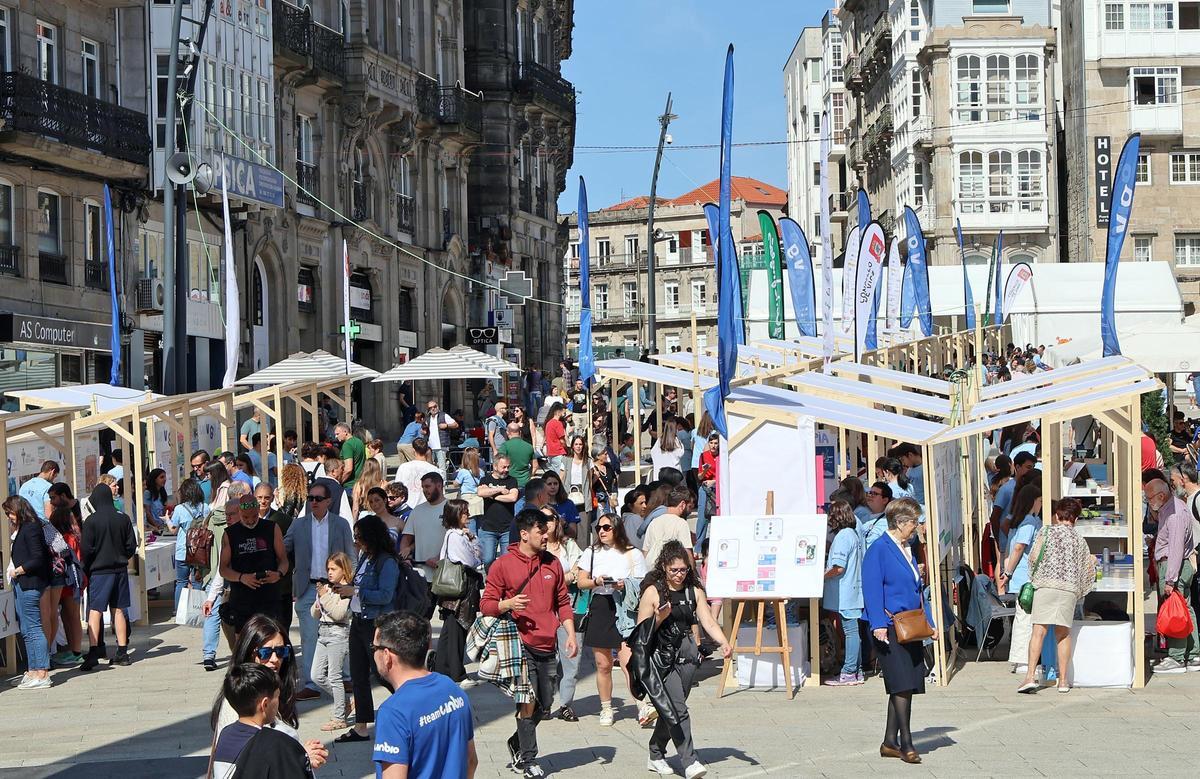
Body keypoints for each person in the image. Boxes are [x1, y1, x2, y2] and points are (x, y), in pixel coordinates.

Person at [632, 540, 731, 779]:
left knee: (670, 710)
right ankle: (690, 761)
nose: (679, 575)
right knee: (678, 708)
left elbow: (707, 620)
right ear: (664, 566)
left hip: (687, 657)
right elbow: (639, 633)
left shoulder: (694, 591)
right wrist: (658, 618)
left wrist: (723, 642)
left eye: (683, 570)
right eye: (674, 570)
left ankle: (655, 754)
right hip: (660, 659)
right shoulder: (653, 592)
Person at [862, 498, 935, 765]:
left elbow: (915, 590)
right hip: (890, 627)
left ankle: (889, 742)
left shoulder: (907, 548)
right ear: (901, 522)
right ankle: (907, 743)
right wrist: (878, 624)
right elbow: (871, 588)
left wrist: (930, 624)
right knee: (901, 684)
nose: (918, 527)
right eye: (915, 522)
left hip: (910, 625)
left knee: (904, 686)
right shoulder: (879, 549)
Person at [210, 613, 328, 771]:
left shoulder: (275, 692)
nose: (274, 659)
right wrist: (300, 757)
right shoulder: (238, 702)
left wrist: (302, 753)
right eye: (265, 653)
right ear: (248, 653)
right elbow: (248, 762)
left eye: (281, 651)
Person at [372, 610, 479, 779]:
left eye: (375, 648)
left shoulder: (393, 712)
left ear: (387, 656)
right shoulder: (452, 689)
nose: (373, 654)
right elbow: (471, 761)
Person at [285, 480, 355, 700]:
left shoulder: (340, 524)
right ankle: (311, 684)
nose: (313, 502)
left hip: (336, 586)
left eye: (317, 499)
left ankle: (345, 677)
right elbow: (284, 547)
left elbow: (350, 553)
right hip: (309, 586)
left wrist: (349, 583)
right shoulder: (299, 524)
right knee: (308, 637)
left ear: (328, 501)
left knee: (340, 633)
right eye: (310, 498)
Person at [1017, 498, 1096, 693]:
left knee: (1038, 632)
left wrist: (1035, 578)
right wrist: (1079, 590)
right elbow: (1087, 569)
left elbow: (1034, 557)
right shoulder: (1079, 540)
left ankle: (1029, 677)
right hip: (1068, 589)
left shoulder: (1046, 531)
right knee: (1063, 634)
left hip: (1046, 586)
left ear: (1057, 514)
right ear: (1075, 518)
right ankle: (1063, 681)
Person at [334, 514, 401, 743]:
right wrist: (345, 588)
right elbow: (359, 585)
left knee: (382, 672)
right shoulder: (365, 557)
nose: (356, 541)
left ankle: (410, 704)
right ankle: (361, 725)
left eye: (359, 537)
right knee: (358, 674)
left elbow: (385, 595)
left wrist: (356, 592)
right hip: (359, 620)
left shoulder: (387, 561)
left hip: (377, 623)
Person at [578, 513, 648, 726]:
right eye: (599, 528)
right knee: (603, 663)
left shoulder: (632, 553)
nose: (601, 531)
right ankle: (606, 707)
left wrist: (624, 584)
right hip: (601, 604)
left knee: (629, 660)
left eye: (606, 527)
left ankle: (642, 704)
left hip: (625, 606)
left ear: (616, 528)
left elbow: (643, 582)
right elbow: (581, 582)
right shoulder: (591, 552)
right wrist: (596, 581)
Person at [212, 662, 314, 779]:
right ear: (265, 704)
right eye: (277, 696)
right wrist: (299, 757)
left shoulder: (226, 733)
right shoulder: (278, 742)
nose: (278, 702)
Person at [218, 491, 289, 646]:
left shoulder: (271, 527)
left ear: (258, 511)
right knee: (243, 644)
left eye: (254, 517)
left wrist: (278, 573)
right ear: (239, 513)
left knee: (270, 639)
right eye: (245, 517)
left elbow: (284, 560)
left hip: (269, 596)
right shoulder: (230, 533)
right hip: (242, 598)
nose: (250, 521)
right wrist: (242, 577)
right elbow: (223, 569)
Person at [80, 484, 137, 671]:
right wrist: (121, 557)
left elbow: (86, 550)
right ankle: (123, 651)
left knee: (95, 611)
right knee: (119, 610)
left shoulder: (91, 521)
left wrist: (86, 567)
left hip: (99, 572)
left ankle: (94, 651)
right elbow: (131, 546)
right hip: (120, 570)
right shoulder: (123, 518)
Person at [1145, 478, 1200, 674]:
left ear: (1161, 495)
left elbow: (1176, 548)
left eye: (1149, 497)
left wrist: (1170, 579)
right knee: (1185, 609)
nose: (1148, 501)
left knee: (1175, 609)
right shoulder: (1170, 507)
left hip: (1173, 565)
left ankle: (1177, 657)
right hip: (1175, 564)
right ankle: (1193, 655)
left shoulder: (1175, 514)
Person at [432, 499, 483, 686]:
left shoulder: (462, 535)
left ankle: (443, 670)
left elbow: (478, 554)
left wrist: (472, 540)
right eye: (464, 513)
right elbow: (470, 560)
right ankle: (456, 674)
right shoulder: (454, 536)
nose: (467, 516)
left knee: (450, 633)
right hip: (457, 592)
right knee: (456, 633)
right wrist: (474, 552)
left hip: (461, 591)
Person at [5, 496, 52, 688]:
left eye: (10, 512)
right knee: (26, 628)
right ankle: (33, 670)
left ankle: (42, 672)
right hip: (22, 584)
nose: (8, 517)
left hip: (29, 583)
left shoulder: (31, 528)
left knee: (33, 628)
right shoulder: (23, 529)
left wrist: (18, 570)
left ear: (18, 510)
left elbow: (37, 558)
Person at [996, 484, 1042, 674]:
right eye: (1040, 501)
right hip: (1025, 577)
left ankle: (1021, 659)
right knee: (1025, 619)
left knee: (1024, 618)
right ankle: (1022, 660)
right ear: (1034, 501)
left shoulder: (1019, 520)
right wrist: (1007, 573)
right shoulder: (1030, 522)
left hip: (1021, 576)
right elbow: (1019, 548)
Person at [823, 501, 865, 686]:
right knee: (853, 631)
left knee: (850, 631)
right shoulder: (854, 533)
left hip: (845, 591)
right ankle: (857, 671)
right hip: (853, 589)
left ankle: (849, 672)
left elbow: (838, 568)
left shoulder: (843, 536)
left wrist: (822, 576)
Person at [310, 551, 354, 731]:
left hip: (338, 634)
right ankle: (344, 702)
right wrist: (319, 600)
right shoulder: (326, 589)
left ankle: (339, 718)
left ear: (343, 570)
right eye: (328, 569)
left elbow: (338, 614)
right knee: (316, 675)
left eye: (333, 569)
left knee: (334, 676)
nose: (329, 572)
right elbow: (314, 614)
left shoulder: (346, 591)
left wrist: (325, 598)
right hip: (323, 633)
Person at [48, 505, 85, 666]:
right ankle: (73, 649)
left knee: (72, 615)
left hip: (69, 581)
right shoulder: (72, 536)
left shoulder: (66, 538)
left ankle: (76, 650)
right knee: (69, 616)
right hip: (72, 580)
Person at [400, 473, 450, 593]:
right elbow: (406, 539)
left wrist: (439, 558)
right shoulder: (417, 510)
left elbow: (455, 538)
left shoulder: (451, 507)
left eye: (427, 486)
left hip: (446, 574)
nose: (424, 490)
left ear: (439, 485)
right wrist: (405, 559)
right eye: (423, 487)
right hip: (422, 575)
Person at [477, 455, 520, 571]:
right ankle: (491, 581)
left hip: (507, 528)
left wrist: (492, 496)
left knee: (506, 561)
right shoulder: (485, 479)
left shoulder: (512, 480)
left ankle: (503, 584)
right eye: (503, 467)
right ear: (495, 466)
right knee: (488, 559)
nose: (506, 470)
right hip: (488, 528)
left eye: (508, 467)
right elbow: (481, 492)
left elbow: (512, 497)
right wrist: (499, 490)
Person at [171, 478, 208, 609]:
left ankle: (178, 610)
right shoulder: (205, 507)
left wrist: (166, 520)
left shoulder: (179, 509)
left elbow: (174, 530)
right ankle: (198, 609)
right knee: (198, 580)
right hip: (200, 550)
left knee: (181, 581)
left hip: (183, 550)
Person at [643, 485, 695, 569]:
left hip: (651, 571)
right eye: (690, 507)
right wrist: (693, 574)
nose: (690, 511)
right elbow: (687, 552)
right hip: (671, 573)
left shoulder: (654, 522)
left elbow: (645, 551)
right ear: (682, 504)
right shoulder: (681, 523)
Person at [394, 438, 440, 507]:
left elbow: (396, 489)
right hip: (428, 507)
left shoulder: (403, 467)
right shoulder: (434, 469)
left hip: (408, 507)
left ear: (413, 450)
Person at [500, 421, 539, 487]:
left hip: (509, 483)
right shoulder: (529, 446)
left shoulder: (505, 446)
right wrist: (528, 476)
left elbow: (499, 465)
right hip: (525, 483)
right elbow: (535, 466)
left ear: (507, 433)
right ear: (520, 432)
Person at [425, 399, 459, 473]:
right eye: (431, 407)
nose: (433, 408)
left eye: (435, 406)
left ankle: (442, 482)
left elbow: (456, 424)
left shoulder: (444, 415)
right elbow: (425, 431)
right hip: (430, 446)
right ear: (429, 410)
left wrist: (446, 425)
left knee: (441, 467)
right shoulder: (428, 419)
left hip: (441, 446)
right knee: (431, 467)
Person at [335, 423, 367, 490]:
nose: (336, 436)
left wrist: (338, 482)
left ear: (345, 432)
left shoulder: (347, 445)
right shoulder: (359, 442)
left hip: (350, 485)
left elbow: (348, 469)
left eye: (337, 434)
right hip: (361, 482)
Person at [621, 487, 651, 552]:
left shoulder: (626, 519)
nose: (645, 506)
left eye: (645, 502)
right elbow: (641, 544)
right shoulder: (634, 519)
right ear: (630, 506)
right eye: (641, 503)